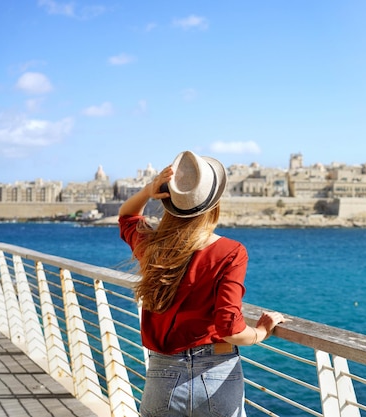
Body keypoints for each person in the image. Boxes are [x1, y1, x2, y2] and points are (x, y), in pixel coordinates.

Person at [118, 150, 285, 417]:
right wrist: (261, 332)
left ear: (169, 201)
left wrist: (149, 190)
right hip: (216, 372)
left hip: (163, 373)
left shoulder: (153, 247)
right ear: (214, 203)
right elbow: (229, 327)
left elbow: (127, 216)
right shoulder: (231, 252)